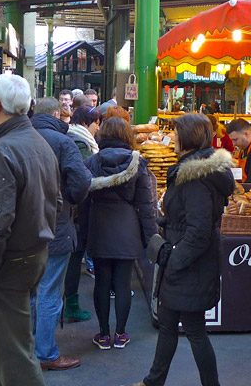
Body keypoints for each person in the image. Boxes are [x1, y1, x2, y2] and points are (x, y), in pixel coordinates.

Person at [0, 73, 60, 386]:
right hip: (31, 253)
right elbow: (56, 200)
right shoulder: (38, 142)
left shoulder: (3, 150)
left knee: (15, 351)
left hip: (9, 261)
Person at [134, 114, 233, 386]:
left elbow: (199, 231)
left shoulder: (195, 178)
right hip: (185, 262)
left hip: (189, 265)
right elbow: (189, 219)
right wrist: (166, 223)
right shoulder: (193, 172)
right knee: (169, 325)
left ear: (188, 138)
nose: (173, 137)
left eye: (177, 133)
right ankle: (152, 382)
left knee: (194, 330)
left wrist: (173, 260)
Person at [84, 117, 157, 351]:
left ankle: (103, 334)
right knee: (123, 283)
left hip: (99, 225)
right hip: (127, 228)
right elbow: (146, 205)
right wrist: (152, 238)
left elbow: (82, 201)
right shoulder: (138, 163)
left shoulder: (91, 163)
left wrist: (82, 234)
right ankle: (121, 334)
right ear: (127, 135)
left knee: (102, 283)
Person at [30, 97, 91, 370]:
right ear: (56, 114)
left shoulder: (19, 137)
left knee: (30, 291)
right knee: (50, 292)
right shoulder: (63, 142)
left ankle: (27, 347)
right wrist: (69, 200)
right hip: (55, 224)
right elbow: (81, 181)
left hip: (21, 228)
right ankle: (45, 353)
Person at [65, 105, 102, 320]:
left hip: (70, 210)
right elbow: (83, 179)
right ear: (87, 123)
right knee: (73, 256)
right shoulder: (81, 144)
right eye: (96, 123)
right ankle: (71, 305)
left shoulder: (73, 138)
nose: (98, 127)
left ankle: (68, 303)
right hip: (75, 212)